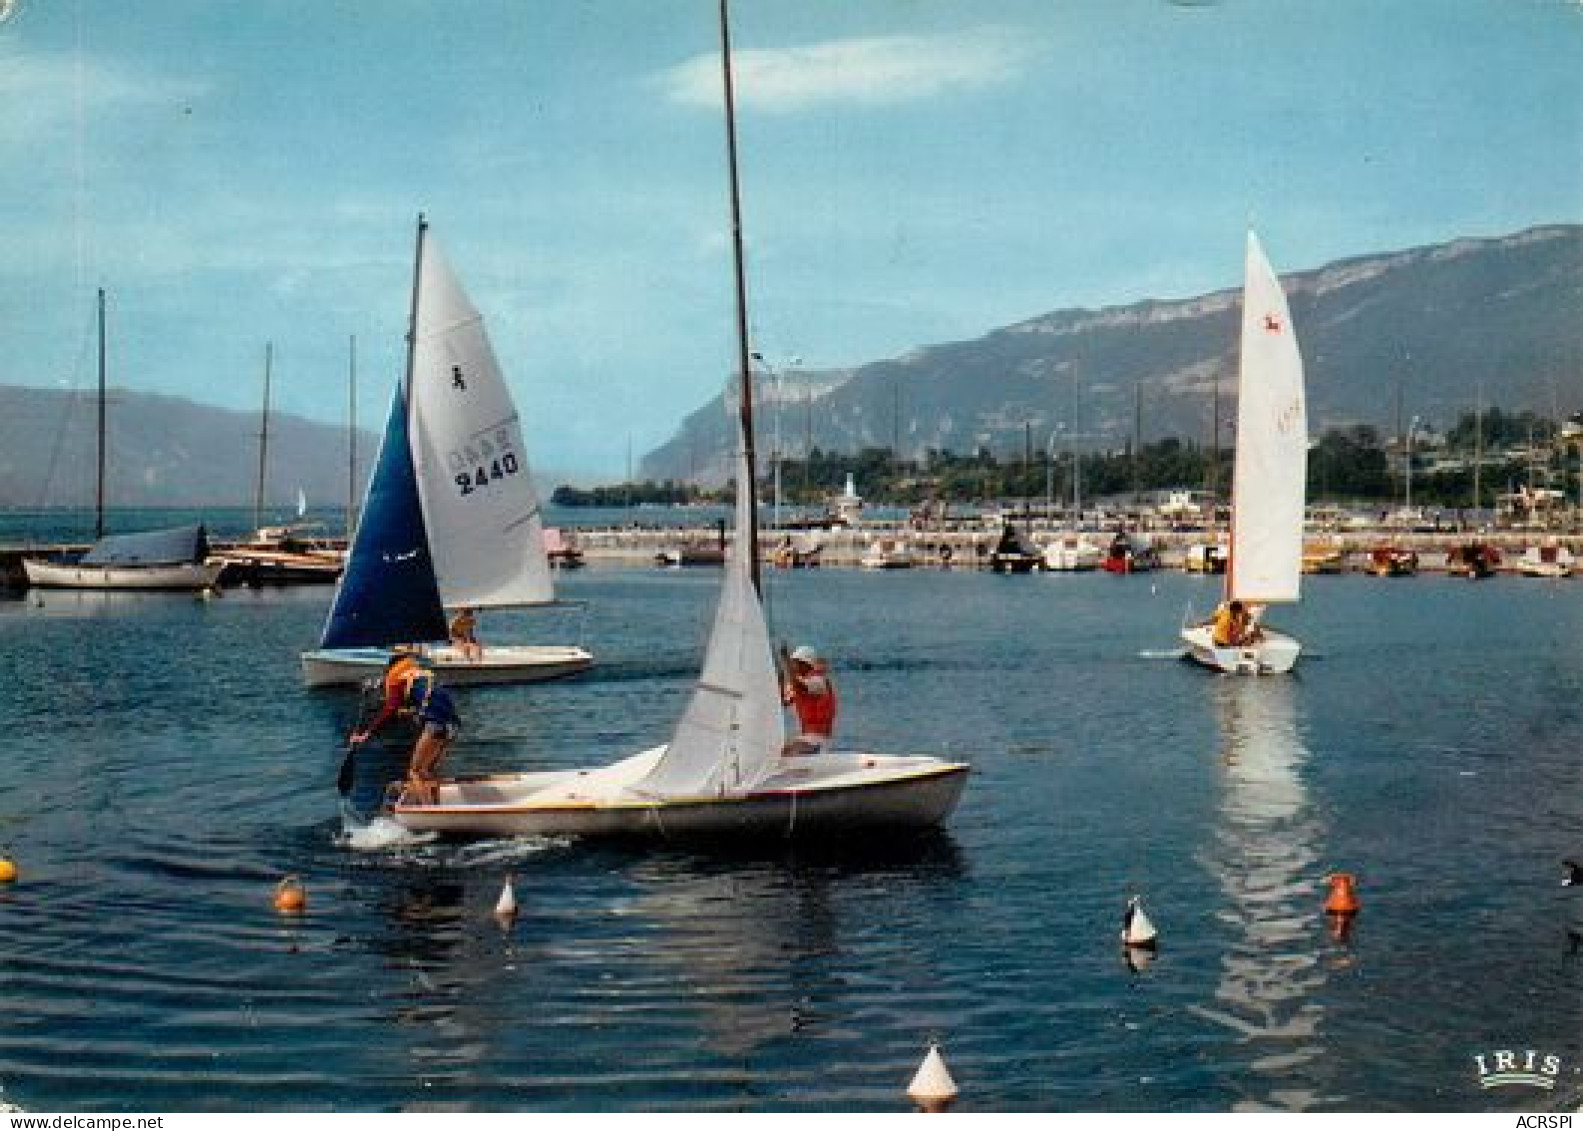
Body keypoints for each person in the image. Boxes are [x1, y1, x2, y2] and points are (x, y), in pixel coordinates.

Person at [350, 650, 462, 805]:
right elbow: (427, 703)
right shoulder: (421, 675)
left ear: (391, 668)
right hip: (452, 725)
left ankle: (428, 814)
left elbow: (390, 709)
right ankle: (436, 805)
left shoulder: (397, 678)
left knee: (414, 771)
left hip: (436, 724)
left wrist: (366, 734)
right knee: (426, 770)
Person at [779, 644, 838, 757]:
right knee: (774, 750)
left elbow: (799, 686)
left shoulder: (818, 682)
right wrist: (780, 680)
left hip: (818, 740)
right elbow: (782, 702)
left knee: (787, 752)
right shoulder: (796, 684)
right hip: (805, 738)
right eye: (792, 663)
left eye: (795, 663)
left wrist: (785, 660)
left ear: (806, 665)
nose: (793, 666)